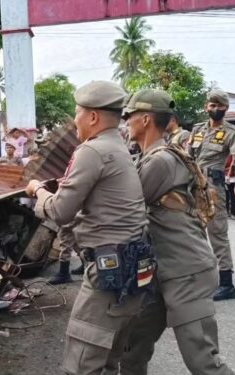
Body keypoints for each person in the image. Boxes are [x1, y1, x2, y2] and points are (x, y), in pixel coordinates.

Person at [25, 81, 148, 375]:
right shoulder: (119, 147)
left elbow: (60, 211)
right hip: (134, 268)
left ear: (92, 117)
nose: (74, 120)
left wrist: (37, 191)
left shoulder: (91, 151)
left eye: (77, 112)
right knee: (109, 362)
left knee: (81, 365)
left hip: (108, 273)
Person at [120, 88, 233, 375]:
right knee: (133, 346)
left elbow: (123, 207)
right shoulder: (150, 157)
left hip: (186, 273)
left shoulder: (160, 160)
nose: (125, 123)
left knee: (203, 361)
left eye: (129, 117)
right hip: (160, 272)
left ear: (145, 119)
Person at [189, 89, 235, 301]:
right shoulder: (197, 130)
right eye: (212, 105)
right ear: (206, 107)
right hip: (192, 187)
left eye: (220, 106)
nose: (215, 109)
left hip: (213, 188)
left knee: (217, 233)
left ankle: (226, 283)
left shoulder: (233, 132)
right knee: (193, 232)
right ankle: (201, 277)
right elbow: (187, 157)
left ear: (226, 108)